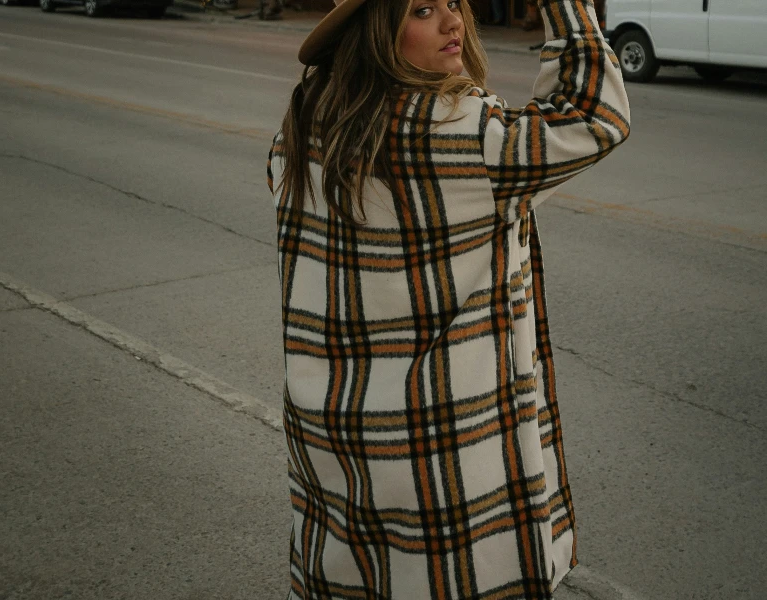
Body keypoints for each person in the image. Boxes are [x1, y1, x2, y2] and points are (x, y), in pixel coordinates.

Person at [267, 0, 630, 597]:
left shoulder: (306, 128)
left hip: (337, 432)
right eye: (423, 9)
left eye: (453, 4)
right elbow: (596, 115)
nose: (453, 22)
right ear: (378, 30)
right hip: (442, 449)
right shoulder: (456, 131)